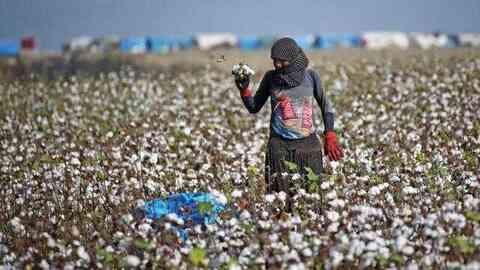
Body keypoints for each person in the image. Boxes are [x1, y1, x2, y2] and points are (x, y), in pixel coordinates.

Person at [234, 37, 343, 197]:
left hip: (308, 148)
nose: (277, 65)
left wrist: (330, 134)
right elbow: (254, 107)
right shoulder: (271, 78)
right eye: (274, 60)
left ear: (293, 59)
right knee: (279, 198)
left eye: (282, 61)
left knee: (311, 197)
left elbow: (326, 106)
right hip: (278, 148)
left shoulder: (311, 77)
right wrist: (244, 91)